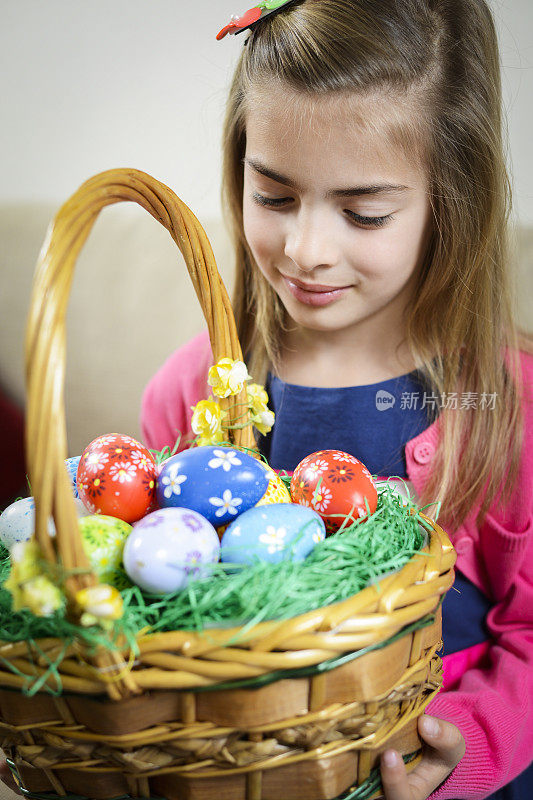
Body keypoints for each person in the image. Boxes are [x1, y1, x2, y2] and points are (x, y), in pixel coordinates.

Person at [140, 2, 533, 798]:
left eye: (363, 213)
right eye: (274, 197)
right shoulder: (191, 391)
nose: (306, 251)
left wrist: (463, 749)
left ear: (447, 200)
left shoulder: (499, 404)